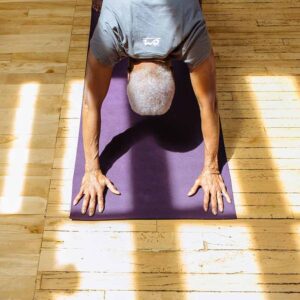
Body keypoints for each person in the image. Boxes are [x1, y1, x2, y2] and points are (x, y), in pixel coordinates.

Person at [73, 0, 232, 216]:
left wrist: (92, 170)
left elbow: (90, 103)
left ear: (127, 73)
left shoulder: (111, 30)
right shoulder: (190, 33)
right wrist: (210, 168)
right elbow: (208, 103)